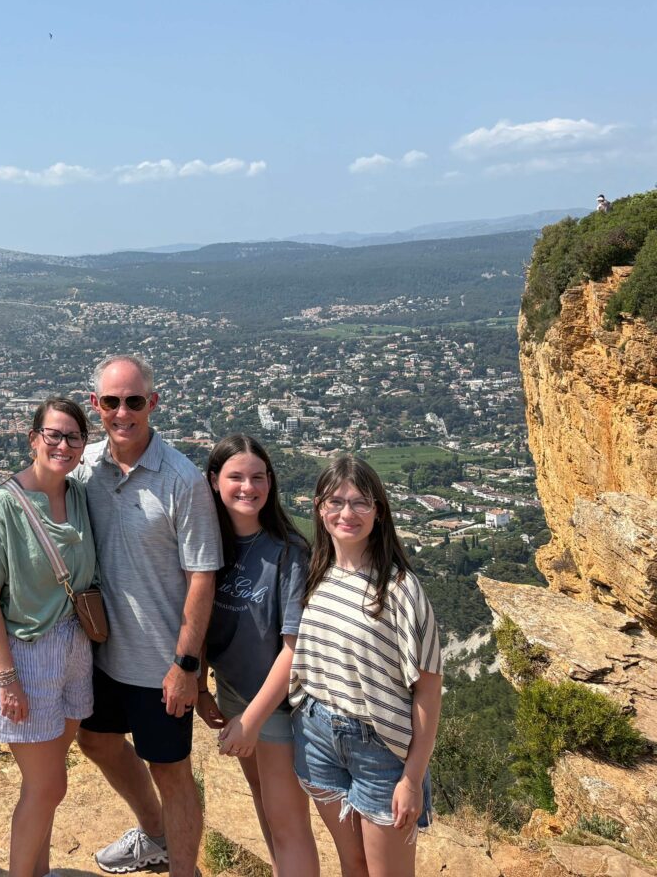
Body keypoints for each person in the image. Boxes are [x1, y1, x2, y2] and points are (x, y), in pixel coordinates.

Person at [74, 353, 222, 876]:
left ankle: (185, 869)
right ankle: (155, 835)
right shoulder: (85, 468)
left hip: (161, 664)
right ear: (95, 404)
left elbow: (202, 577)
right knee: (95, 740)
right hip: (103, 655)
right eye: (111, 402)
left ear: (152, 403)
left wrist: (187, 666)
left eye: (134, 401)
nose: (123, 413)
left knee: (171, 771)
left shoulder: (181, 479)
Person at [290, 456, 443, 877]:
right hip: (317, 736)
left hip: (381, 748)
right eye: (336, 502)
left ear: (378, 511)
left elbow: (428, 691)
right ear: (319, 508)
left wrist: (412, 779)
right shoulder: (315, 573)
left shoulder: (401, 589)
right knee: (353, 864)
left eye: (360, 502)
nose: (347, 513)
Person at [0, 397, 98, 877]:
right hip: (25, 654)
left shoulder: (78, 494)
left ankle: (38, 871)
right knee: (47, 786)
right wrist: (7, 680)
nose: (63, 445)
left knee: (49, 783)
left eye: (73, 436)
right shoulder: (2, 507)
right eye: (53, 435)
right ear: (33, 439)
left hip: (74, 645)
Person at [197, 435, 318, 877]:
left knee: (288, 824)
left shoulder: (288, 552)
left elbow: (293, 649)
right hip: (233, 693)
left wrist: (252, 720)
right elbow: (198, 621)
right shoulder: (209, 545)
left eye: (258, 477)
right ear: (214, 481)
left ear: (271, 483)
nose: (248, 487)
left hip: (276, 705)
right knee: (263, 804)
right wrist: (201, 688)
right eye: (236, 477)